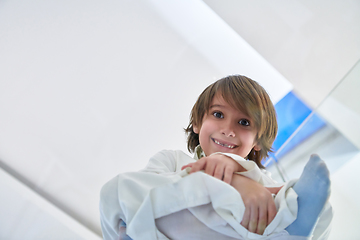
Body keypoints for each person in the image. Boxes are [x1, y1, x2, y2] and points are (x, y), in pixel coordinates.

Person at [99, 75, 332, 240]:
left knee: (310, 206)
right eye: (218, 114)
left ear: (258, 142)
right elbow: (141, 196)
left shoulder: (265, 182)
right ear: (198, 123)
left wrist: (240, 172)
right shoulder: (171, 160)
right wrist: (234, 181)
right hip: (166, 229)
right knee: (117, 190)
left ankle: (292, 231)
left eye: (244, 122)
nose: (228, 129)